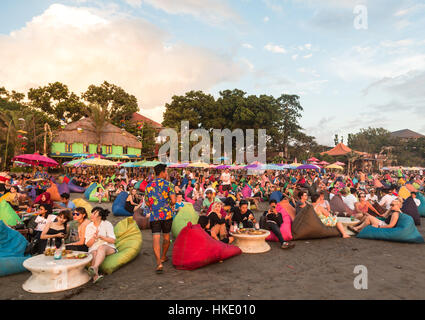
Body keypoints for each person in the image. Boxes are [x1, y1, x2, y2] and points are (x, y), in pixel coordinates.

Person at [145, 164, 176, 274]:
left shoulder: (148, 186)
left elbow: (147, 202)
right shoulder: (169, 185)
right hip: (167, 215)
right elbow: (173, 201)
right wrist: (168, 203)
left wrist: (154, 206)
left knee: (156, 238)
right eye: (166, 171)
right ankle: (163, 256)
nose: (167, 173)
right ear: (162, 172)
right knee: (167, 237)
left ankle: (159, 262)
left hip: (155, 215)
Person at [85, 207, 116, 283]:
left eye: (94, 213)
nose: (91, 215)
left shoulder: (107, 224)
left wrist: (101, 237)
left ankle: (95, 267)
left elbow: (113, 240)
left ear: (100, 216)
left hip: (108, 247)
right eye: (92, 213)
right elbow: (88, 245)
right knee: (95, 252)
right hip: (93, 248)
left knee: (101, 247)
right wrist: (94, 238)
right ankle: (95, 276)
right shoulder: (89, 226)